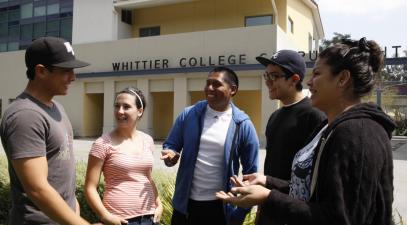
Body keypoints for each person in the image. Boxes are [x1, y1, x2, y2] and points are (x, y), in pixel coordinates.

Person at [216, 37, 395, 225]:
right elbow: (310, 189)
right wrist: (268, 182)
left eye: (317, 74)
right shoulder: (329, 127)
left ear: (342, 78)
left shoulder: (358, 133)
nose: (309, 82)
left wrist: (269, 197)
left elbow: (340, 218)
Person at [0, 37, 99, 224]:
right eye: (66, 71)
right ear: (41, 71)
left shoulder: (56, 108)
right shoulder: (25, 115)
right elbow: (37, 189)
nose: (73, 77)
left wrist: (73, 209)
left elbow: (60, 174)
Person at [161, 66, 259, 225]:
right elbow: (171, 145)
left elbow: (251, 176)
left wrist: (239, 213)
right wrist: (169, 156)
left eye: (216, 84)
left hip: (220, 208)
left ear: (232, 89)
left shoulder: (243, 125)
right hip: (185, 206)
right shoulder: (189, 114)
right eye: (207, 83)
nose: (209, 88)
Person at [254, 50, 325, 224]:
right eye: (266, 76)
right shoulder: (275, 116)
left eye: (274, 76)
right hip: (270, 206)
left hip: (294, 211)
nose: (268, 82)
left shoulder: (315, 116)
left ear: (294, 79)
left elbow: (314, 178)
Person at [85, 87, 163, 225]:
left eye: (126, 107)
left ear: (140, 111)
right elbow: (90, 187)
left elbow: (147, 178)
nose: (120, 111)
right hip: (120, 220)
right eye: (117, 106)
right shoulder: (102, 144)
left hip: (150, 218)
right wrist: (105, 216)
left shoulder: (148, 141)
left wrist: (159, 204)